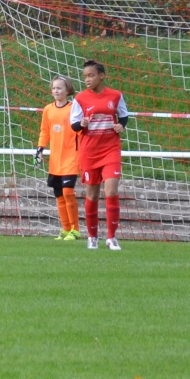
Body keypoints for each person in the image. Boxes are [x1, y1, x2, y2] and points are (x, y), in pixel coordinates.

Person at [71, 59, 129, 251]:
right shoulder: (80, 98)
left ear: (101, 76)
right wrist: (82, 124)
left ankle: (112, 238)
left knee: (111, 191)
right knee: (92, 195)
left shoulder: (115, 95)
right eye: (85, 77)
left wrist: (121, 125)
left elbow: (123, 116)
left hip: (111, 149)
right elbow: (74, 124)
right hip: (90, 152)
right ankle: (92, 236)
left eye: (91, 75)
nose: (87, 80)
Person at [34, 75, 81, 240]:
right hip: (56, 159)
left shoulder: (74, 107)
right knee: (59, 194)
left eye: (59, 88)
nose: (56, 91)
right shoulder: (48, 109)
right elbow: (44, 131)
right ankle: (66, 229)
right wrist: (40, 148)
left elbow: (81, 130)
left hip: (71, 156)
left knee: (68, 192)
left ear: (68, 90)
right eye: (54, 88)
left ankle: (75, 230)